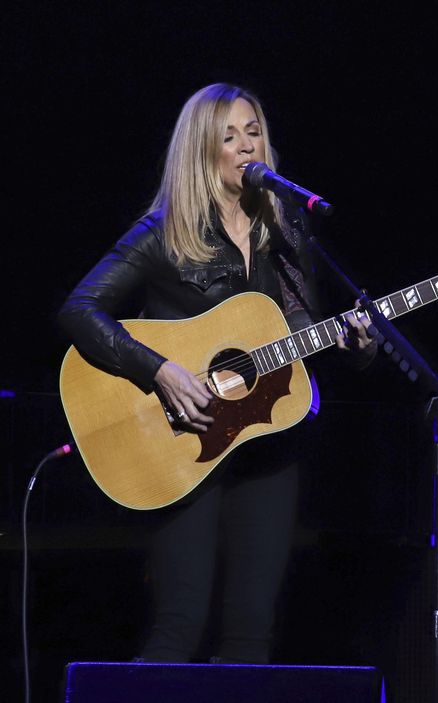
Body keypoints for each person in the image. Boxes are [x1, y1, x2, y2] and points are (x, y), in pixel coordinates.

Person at [58, 83, 376, 662]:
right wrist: (160, 370)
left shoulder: (286, 230)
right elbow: (79, 309)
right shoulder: (164, 231)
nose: (246, 146)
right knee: (180, 624)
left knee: (252, 630)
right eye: (229, 136)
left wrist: (356, 345)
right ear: (202, 149)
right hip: (183, 440)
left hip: (269, 442)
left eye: (253, 132)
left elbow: (300, 328)